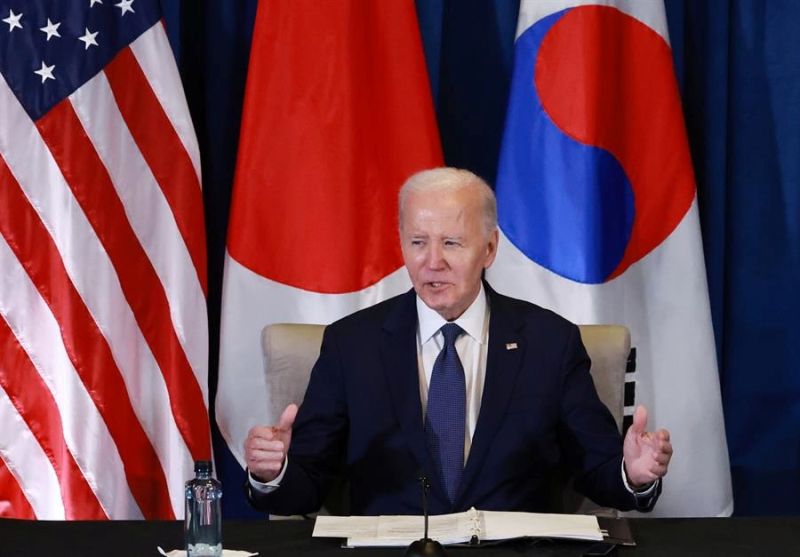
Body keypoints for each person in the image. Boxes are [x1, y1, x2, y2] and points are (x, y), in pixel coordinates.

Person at [244, 167, 672, 516]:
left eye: (451, 243)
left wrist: (632, 474)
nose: (433, 263)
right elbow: (306, 486)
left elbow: (596, 467)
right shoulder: (350, 345)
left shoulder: (550, 342)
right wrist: (273, 471)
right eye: (417, 243)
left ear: (489, 249)